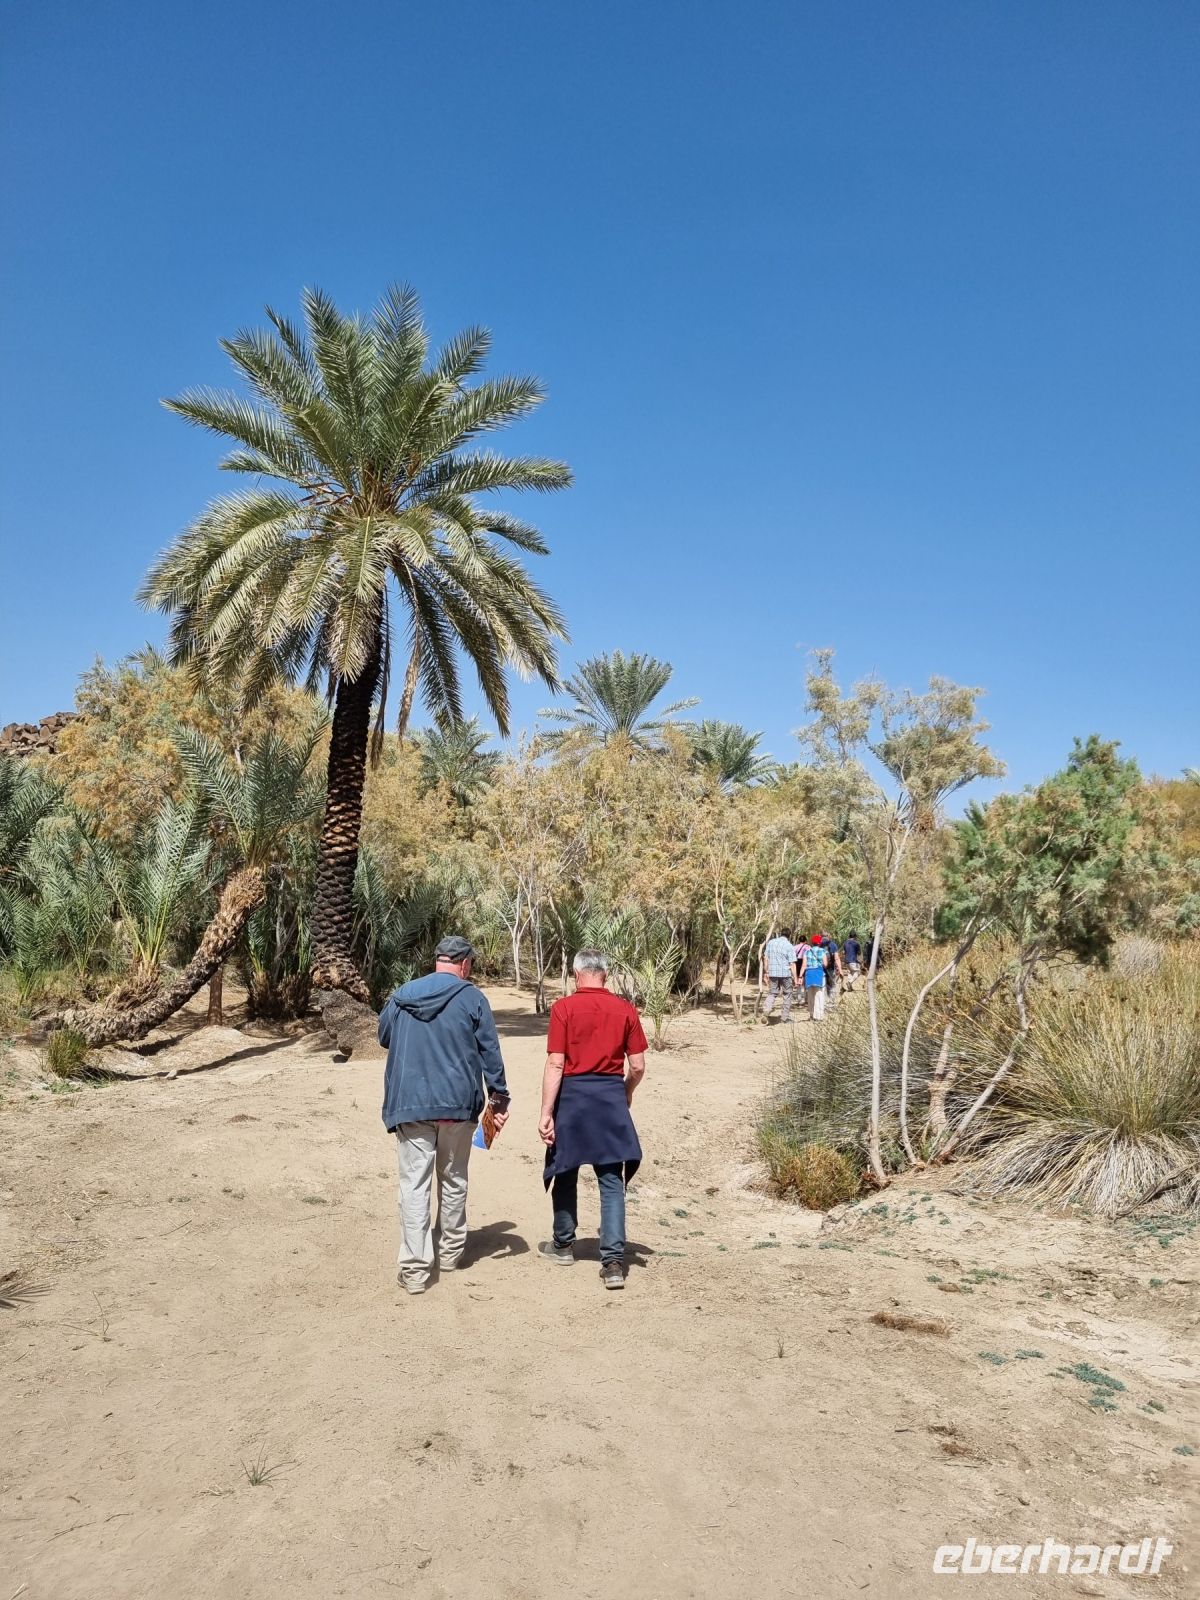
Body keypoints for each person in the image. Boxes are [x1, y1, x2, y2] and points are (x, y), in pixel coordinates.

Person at [378, 935, 510, 1296]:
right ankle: (449, 1254)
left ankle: (416, 1270)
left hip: (410, 1104)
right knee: (453, 1179)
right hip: (457, 1105)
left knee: (413, 1184)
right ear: (465, 965)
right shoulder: (473, 998)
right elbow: (490, 1053)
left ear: (438, 960)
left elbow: (384, 1036)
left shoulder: (402, 995)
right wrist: (499, 1098)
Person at [538, 949, 646, 1290]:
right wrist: (626, 1090)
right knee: (611, 1180)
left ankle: (563, 1245)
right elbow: (639, 1065)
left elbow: (556, 1063)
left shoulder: (563, 1009)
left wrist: (545, 1113)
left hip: (572, 1100)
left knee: (565, 1171)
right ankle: (613, 1263)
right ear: (606, 975)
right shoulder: (625, 1009)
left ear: (575, 974)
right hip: (610, 1100)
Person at [760, 927, 799, 1022]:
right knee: (787, 994)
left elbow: (766, 958)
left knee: (772, 993)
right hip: (786, 974)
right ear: (789, 936)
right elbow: (792, 963)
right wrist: (796, 978)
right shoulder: (789, 946)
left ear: (781, 933)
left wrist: (766, 972)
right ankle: (785, 1018)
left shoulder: (771, 943)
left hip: (773, 973)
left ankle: (766, 1010)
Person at [802, 934, 827, 1021]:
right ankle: (819, 1016)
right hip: (819, 974)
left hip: (809, 974)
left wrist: (800, 976)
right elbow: (825, 964)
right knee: (819, 994)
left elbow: (804, 965)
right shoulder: (823, 951)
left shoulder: (807, 952)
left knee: (810, 994)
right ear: (820, 942)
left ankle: (811, 1014)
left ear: (812, 942)